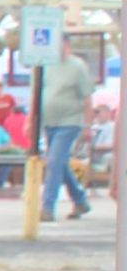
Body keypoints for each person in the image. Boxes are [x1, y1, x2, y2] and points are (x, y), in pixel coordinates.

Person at [39, 44, 95, 221]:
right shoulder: (46, 65)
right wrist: (31, 120)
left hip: (70, 121)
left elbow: (87, 98)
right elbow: (38, 93)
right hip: (49, 122)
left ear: (67, 45)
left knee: (54, 162)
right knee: (59, 163)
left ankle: (47, 207)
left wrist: (87, 126)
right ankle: (80, 200)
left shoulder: (77, 66)